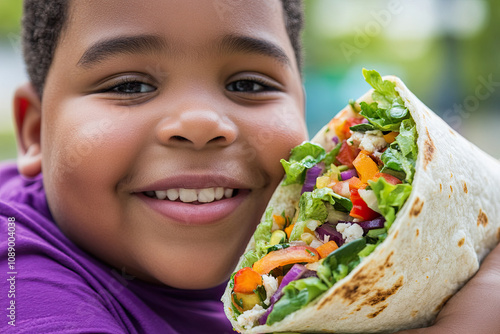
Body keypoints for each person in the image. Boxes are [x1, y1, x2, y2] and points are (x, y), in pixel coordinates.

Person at [0, 0, 498, 333]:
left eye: (248, 85)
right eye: (129, 85)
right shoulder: (20, 284)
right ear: (33, 131)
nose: (200, 123)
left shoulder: (300, 253)